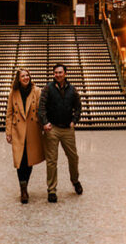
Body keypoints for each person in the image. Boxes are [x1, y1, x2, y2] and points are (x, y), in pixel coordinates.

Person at [38, 62, 83, 203]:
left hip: (67, 129)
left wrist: (74, 121)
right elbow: (41, 107)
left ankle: (75, 181)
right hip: (53, 129)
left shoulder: (72, 90)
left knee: (73, 157)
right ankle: (51, 190)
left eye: (60, 72)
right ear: (53, 74)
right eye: (56, 72)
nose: (58, 75)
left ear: (65, 74)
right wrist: (45, 122)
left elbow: (78, 106)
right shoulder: (48, 89)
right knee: (52, 161)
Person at [5, 68, 44, 204]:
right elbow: (9, 113)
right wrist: (8, 132)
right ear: (18, 78)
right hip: (18, 130)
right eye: (23, 76)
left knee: (29, 160)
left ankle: (25, 184)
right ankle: (23, 189)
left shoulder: (37, 91)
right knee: (20, 161)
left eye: (27, 75)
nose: (26, 77)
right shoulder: (13, 93)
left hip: (33, 130)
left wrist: (44, 124)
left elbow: (41, 109)